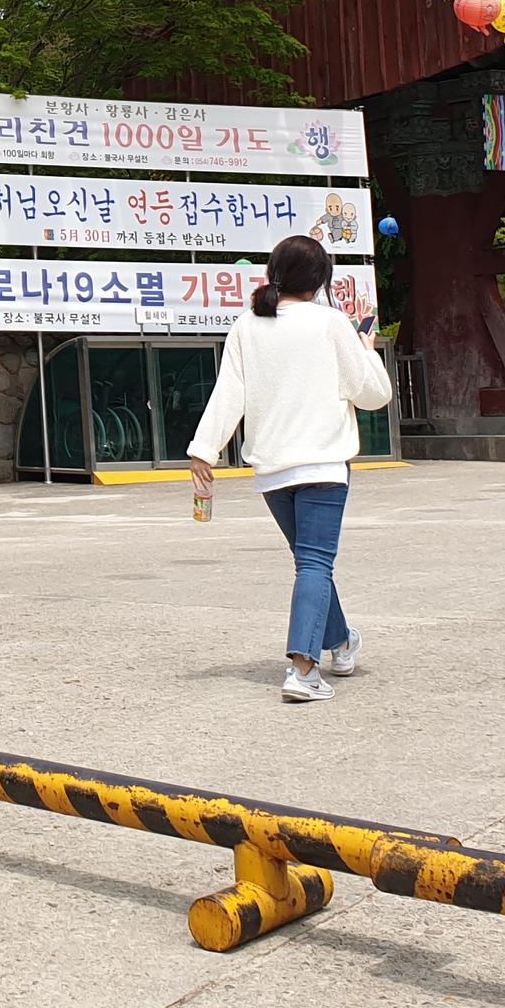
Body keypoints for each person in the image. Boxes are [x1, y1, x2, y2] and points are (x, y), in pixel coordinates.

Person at [186, 235, 395, 703]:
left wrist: (205, 449)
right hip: (322, 462)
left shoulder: (248, 325)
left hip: (273, 470)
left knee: (309, 562)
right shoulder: (331, 323)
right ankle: (302, 670)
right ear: (322, 280)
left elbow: (229, 394)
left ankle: (340, 643)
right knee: (314, 562)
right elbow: (373, 395)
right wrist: (366, 349)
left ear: (271, 272)